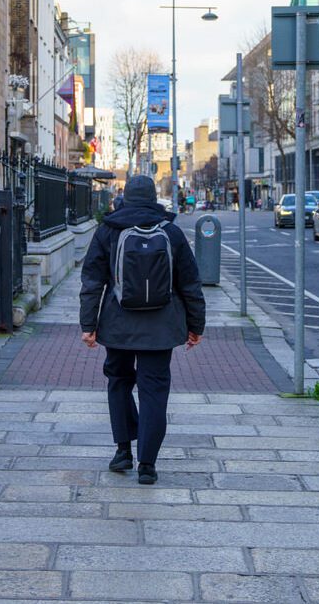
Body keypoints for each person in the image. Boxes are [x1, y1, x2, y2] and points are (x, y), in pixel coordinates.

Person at [79, 175, 205, 486]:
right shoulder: (171, 232)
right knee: (154, 392)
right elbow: (190, 283)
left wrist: (88, 324)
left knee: (119, 382)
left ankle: (123, 450)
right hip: (161, 327)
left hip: (118, 323)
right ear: (153, 198)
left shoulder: (108, 230)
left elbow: (92, 281)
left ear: (126, 198)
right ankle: (147, 464)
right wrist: (195, 325)